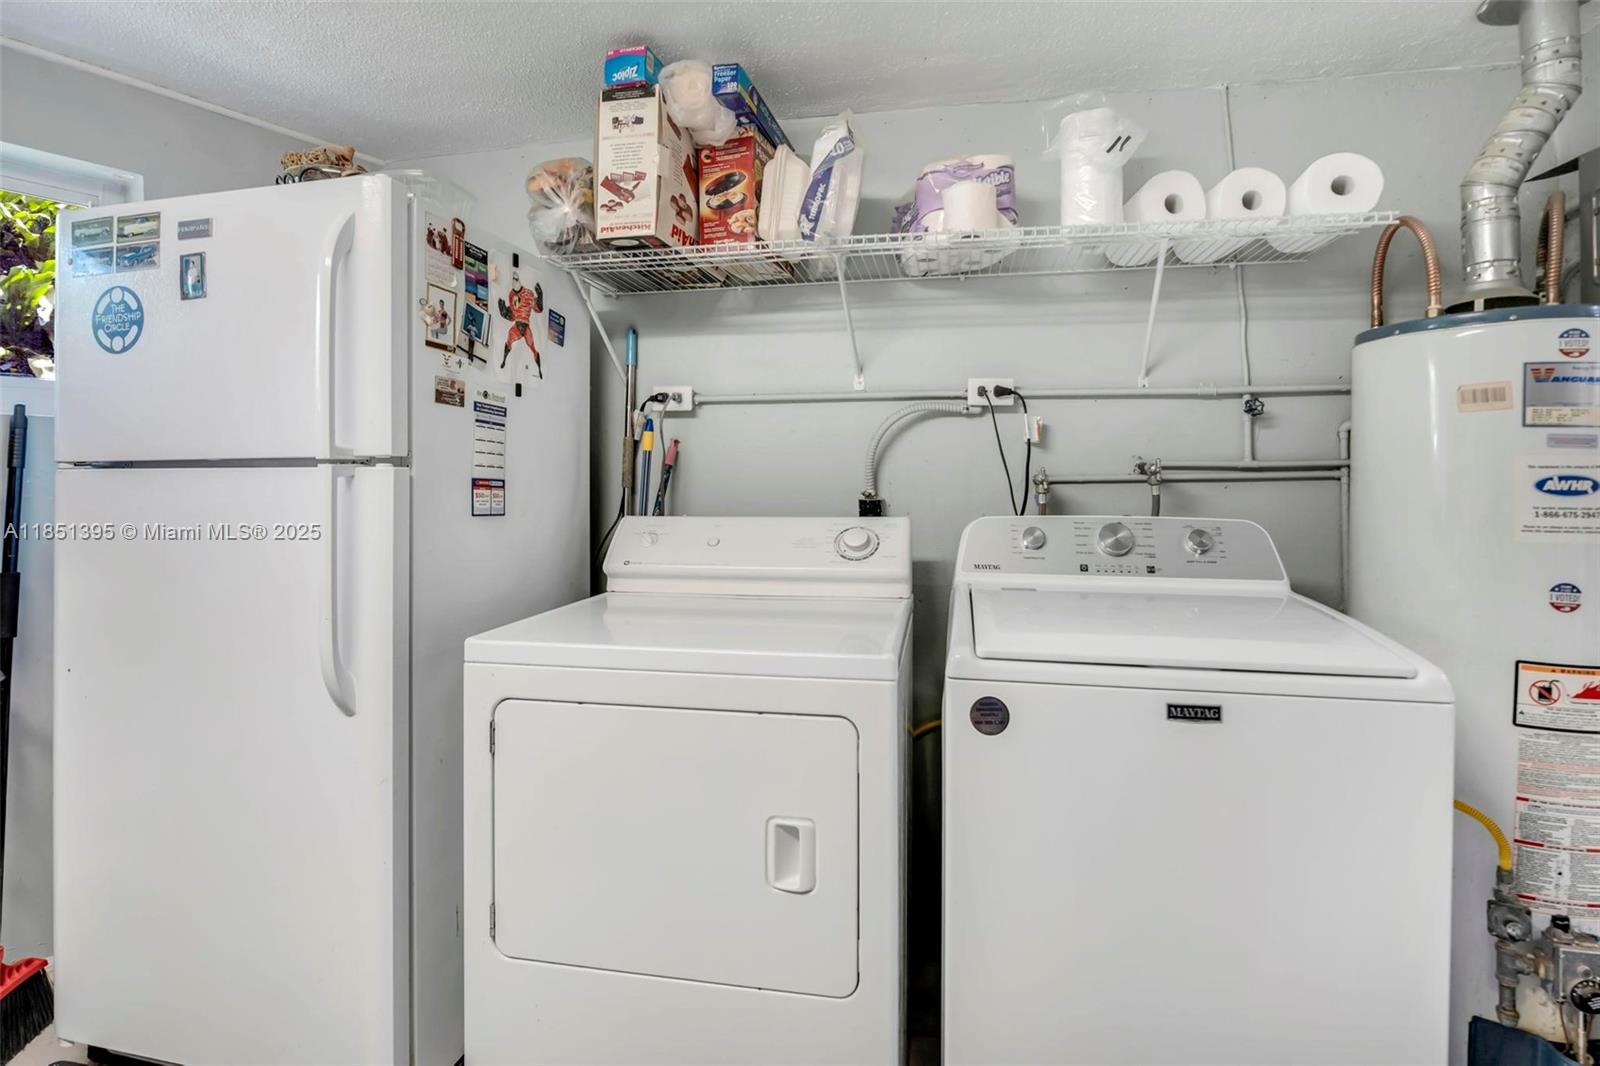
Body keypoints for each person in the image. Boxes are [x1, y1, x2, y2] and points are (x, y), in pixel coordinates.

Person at [498, 272, 544, 377]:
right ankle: (504, 360)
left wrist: (540, 296)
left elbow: (538, 309)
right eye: (513, 280)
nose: (514, 282)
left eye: (516, 279)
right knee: (509, 339)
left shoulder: (528, 293)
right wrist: (504, 312)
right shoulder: (511, 294)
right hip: (518, 326)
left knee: (532, 347)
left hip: (526, 326)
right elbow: (513, 314)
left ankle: (539, 369)